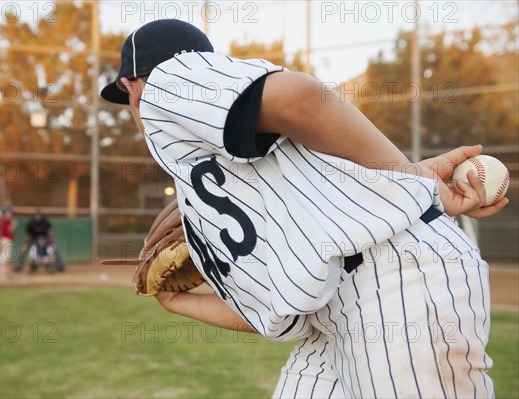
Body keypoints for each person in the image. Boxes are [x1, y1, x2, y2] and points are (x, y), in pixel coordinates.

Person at [101, 19, 508, 398]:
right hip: (329, 315)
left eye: (126, 95)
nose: (133, 105)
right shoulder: (219, 182)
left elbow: (301, 98)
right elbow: (277, 312)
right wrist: (177, 302)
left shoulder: (166, 88)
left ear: (131, 84)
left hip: (396, 282)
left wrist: (408, 180)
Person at [0, 204, 16, 281]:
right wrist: (13, 225)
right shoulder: (4, 220)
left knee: (4, 257)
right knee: (5, 257)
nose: (11, 214)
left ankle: (4, 274)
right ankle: (2, 274)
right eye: (10, 212)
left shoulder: (5, 220)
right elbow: (7, 231)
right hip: (5, 239)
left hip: (4, 239)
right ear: (6, 212)